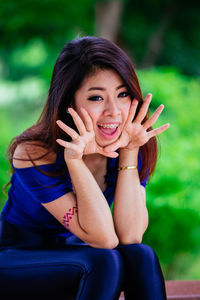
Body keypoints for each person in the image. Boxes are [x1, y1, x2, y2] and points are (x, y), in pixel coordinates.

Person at [0, 36, 169, 300]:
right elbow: (104, 239)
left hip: (82, 258)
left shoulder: (132, 143)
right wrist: (74, 161)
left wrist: (129, 153)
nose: (114, 111)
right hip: (16, 261)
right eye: (96, 97)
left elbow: (130, 234)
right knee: (104, 260)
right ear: (70, 103)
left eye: (123, 94)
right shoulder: (35, 152)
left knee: (141, 255)